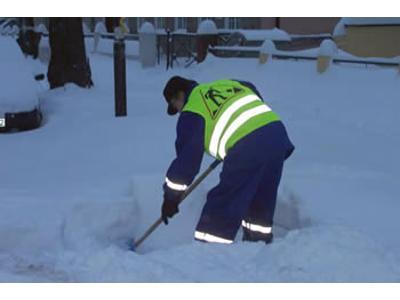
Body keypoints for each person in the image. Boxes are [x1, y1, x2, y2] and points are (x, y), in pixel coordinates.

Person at [161, 76, 295, 244]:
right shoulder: (225, 84)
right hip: (275, 134)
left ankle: (209, 255)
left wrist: (170, 198)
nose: (179, 111)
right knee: (260, 198)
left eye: (176, 106)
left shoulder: (192, 110)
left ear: (179, 96)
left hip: (247, 147)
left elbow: (187, 161)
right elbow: (250, 86)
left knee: (223, 204)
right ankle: (258, 248)